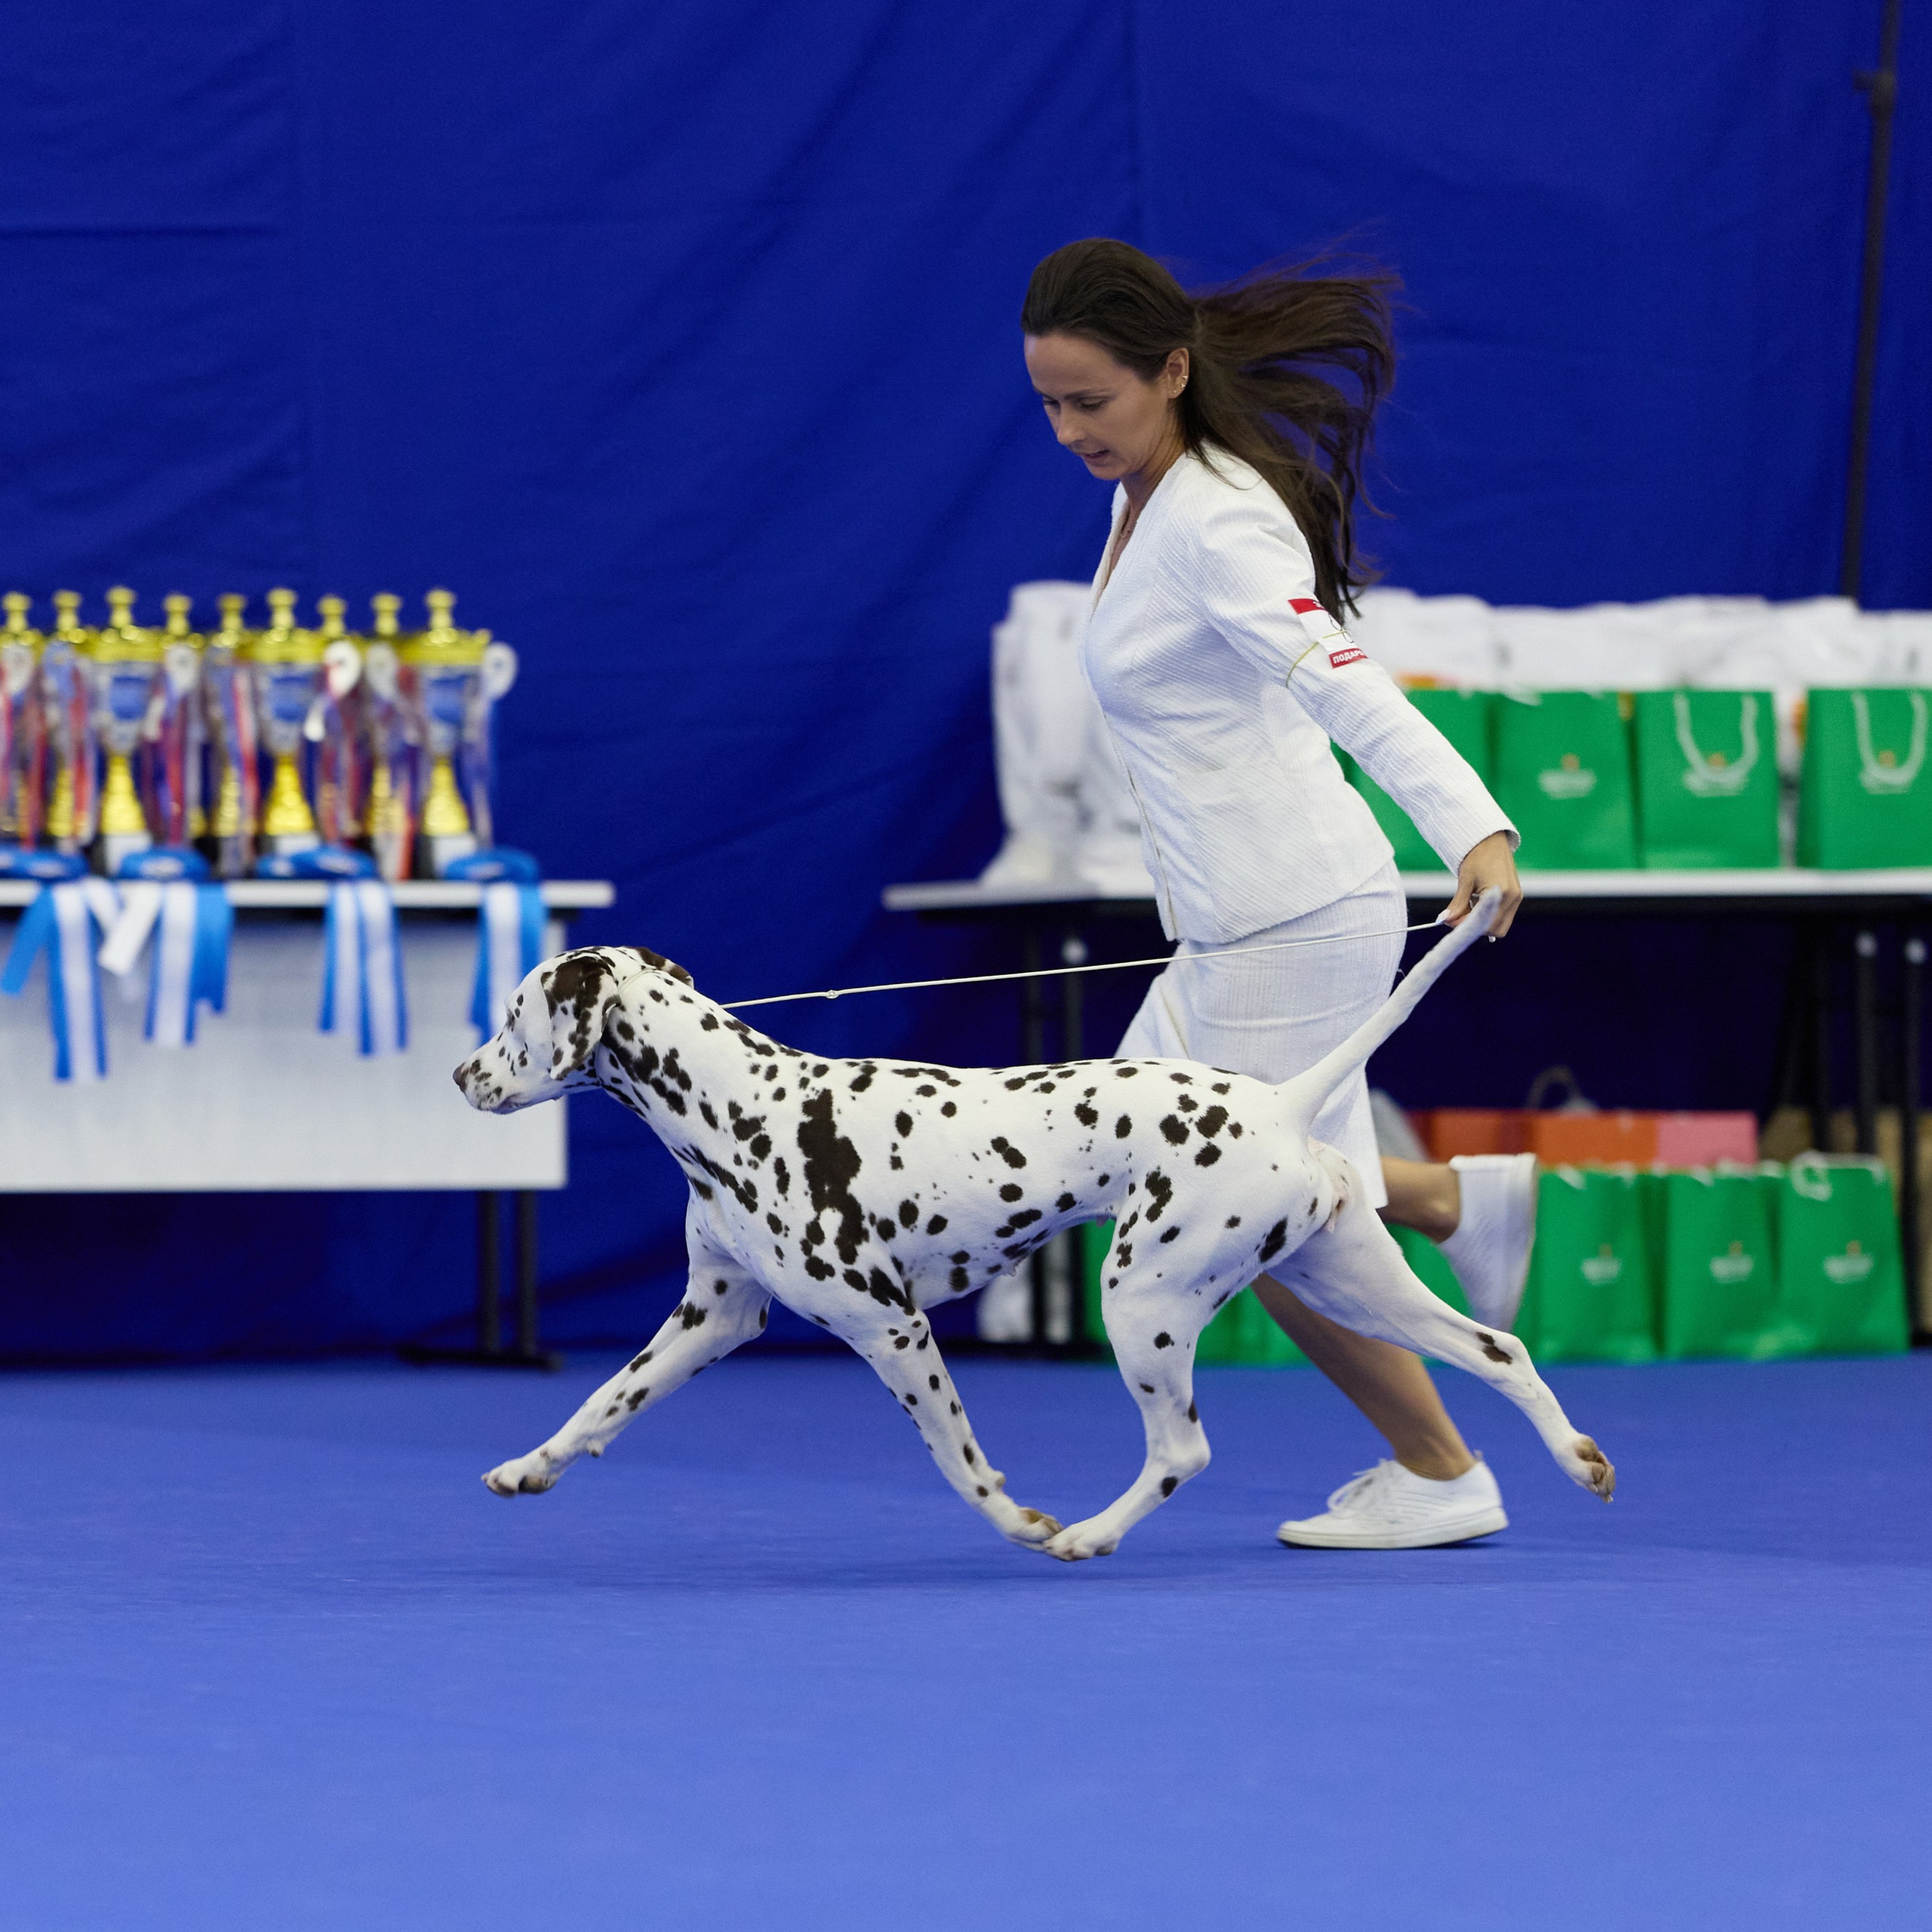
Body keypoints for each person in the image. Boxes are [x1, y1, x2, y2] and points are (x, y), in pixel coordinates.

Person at [1023, 238, 1537, 1549]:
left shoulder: (1218, 516)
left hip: (1291, 920)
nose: (1071, 428)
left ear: (1174, 372)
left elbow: (1338, 678)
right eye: (1051, 403)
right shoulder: (1142, 494)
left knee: (1244, 1215)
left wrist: (1471, 824)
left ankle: (1440, 1469)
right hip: (1228, 931)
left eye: (1094, 400)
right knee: (1146, 1164)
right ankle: (1449, 1203)